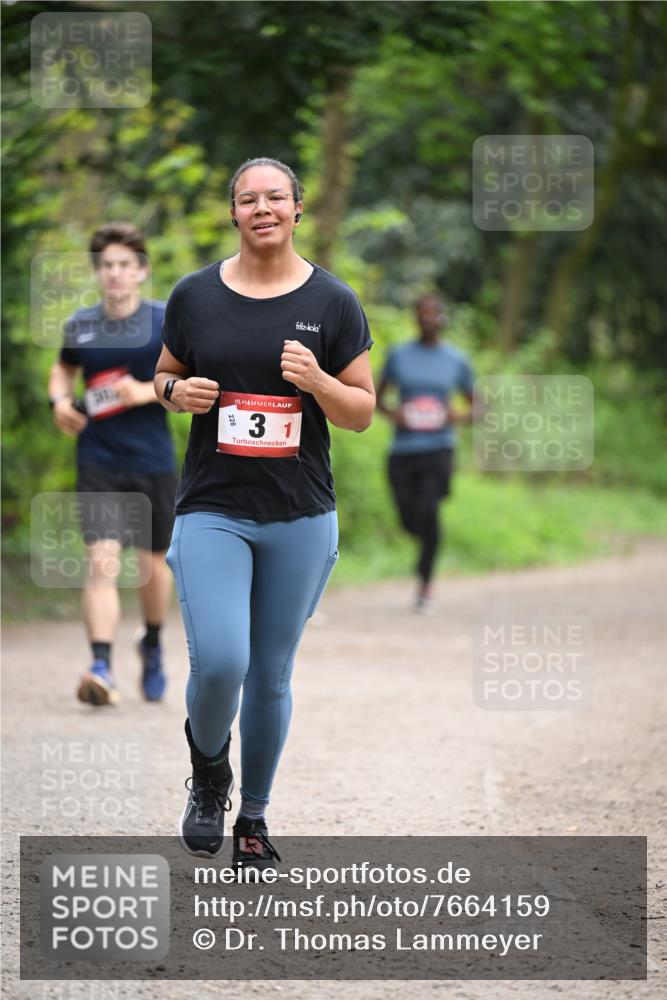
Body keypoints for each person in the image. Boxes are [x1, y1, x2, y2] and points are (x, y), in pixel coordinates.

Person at [155, 156, 374, 867]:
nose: (262, 208)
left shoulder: (333, 302)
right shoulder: (193, 295)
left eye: (274, 197)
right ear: (232, 213)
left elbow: (363, 412)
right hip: (214, 507)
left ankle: (253, 817)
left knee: (271, 673)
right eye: (247, 198)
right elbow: (164, 372)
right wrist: (172, 394)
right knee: (221, 662)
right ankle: (209, 772)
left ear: (297, 209)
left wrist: (315, 381)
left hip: (300, 515)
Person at [48, 223, 176, 706]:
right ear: (97, 273)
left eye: (125, 265)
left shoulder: (166, 321)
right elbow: (63, 367)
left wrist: (146, 390)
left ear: (141, 271)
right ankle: (100, 665)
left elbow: (194, 377)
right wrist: (59, 401)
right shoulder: (81, 324)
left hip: (152, 459)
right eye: (107, 266)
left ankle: (153, 642)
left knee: (151, 568)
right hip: (98, 457)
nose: (115, 274)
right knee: (101, 561)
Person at [377, 293, 474, 614]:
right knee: (409, 518)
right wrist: (396, 415)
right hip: (403, 450)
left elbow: (478, 406)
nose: (429, 318)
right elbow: (375, 399)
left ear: (442, 317)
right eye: (423, 313)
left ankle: (425, 585)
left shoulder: (456, 360)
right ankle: (423, 548)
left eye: (434, 313)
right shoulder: (399, 356)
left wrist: (453, 416)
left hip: (439, 449)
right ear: (415, 318)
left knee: (430, 510)